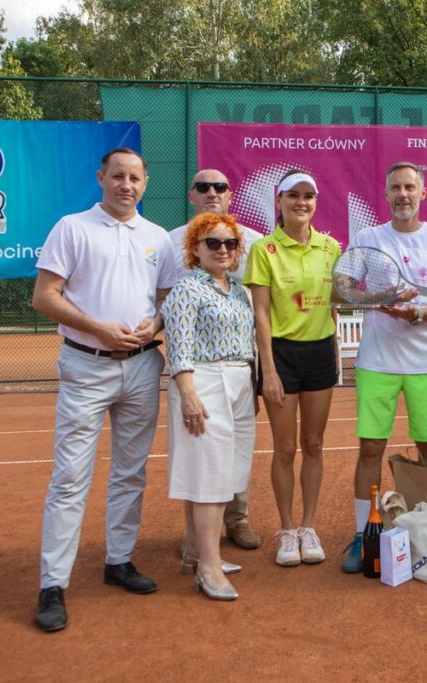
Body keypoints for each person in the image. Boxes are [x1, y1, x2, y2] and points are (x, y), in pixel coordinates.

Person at [31, 148, 176, 632]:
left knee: (130, 473)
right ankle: (53, 584)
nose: (126, 185)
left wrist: (154, 323)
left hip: (142, 366)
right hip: (86, 366)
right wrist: (98, 329)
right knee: (70, 477)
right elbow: (44, 296)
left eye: (135, 177)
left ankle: (119, 561)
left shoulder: (157, 237)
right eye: (118, 176)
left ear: (145, 182)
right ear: (101, 178)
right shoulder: (72, 228)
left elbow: (165, 300)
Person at [339, 162, 427, 573]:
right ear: (386, 193)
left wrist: (418, 314)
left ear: (423, 192)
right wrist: (381, 299)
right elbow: (342, 290)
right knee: (370, 449)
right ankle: (363, 534)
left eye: (410, 187)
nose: (403, 195)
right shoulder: (368, 238)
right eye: (395, 188)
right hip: (376, 363)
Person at [244, 170, 340, 567]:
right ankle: (286, 530)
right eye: (293, 195)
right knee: (285, 448)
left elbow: (335, 303)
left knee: (314, 444)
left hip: (320, 354)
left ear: (316, 201)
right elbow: (261, 315)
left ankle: (308, 526)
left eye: (308, 196)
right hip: (281, 355)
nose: (301, 202)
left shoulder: (330, 247)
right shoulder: (263, 249)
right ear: (279, 201)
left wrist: (335, 351)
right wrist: (268, 369)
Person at [168, 169, 265, 551]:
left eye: (220, 186)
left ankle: (236, 521)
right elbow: (168, 299)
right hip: (202, 371)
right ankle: (198, 544)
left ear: (230, 194)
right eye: (203, 186)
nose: (212, 191)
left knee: (235, 452)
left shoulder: (253, 242)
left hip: (240, 366)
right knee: (204, 461)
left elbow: (259, 306)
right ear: (191, 195)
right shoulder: (171, 242)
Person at [162, 212, 256, 600]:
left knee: (224, 473)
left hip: (239, 382)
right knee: (210, 478)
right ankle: (209, 568)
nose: (222, 250)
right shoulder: (187, 288)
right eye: (212, 243)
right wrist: (188, 393)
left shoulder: (239, 290)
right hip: (204, 381)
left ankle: (194, 551)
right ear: (195, 249)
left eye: (229, 243)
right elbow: (179, 346)